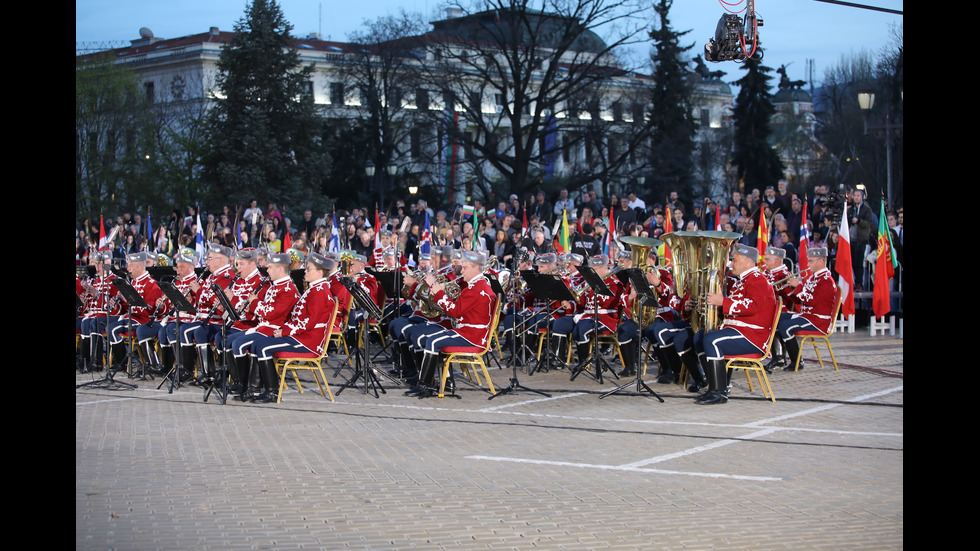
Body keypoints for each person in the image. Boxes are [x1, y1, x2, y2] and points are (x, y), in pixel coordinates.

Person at [407, 250, 499, 397]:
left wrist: (438, 292)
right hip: (467, 332)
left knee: (432, 341)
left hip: (472, 336)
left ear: (475, 267)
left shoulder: (477, 288)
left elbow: (454, 311)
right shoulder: (475, 285)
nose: (461, 271)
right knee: (430, 339)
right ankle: (446, 384)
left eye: (465, 268)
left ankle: (425, 386)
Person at [695, 244, 777, 405]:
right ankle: (715, 385)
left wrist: (723, 302)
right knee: (700, 337)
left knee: (712, 340)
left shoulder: (758, 280)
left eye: (735, 260)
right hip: (740, 330)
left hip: (752, 336)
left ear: (747, 261)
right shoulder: (745, 281)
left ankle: (719, 392)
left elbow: (753, 306)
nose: (732, 263)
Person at [774, 247, 840, 371]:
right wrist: (789, 288)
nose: (807, 264)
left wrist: (798, 286)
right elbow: (799, 301)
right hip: (806, 316)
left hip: (818, 321)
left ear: (820, 261)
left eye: (811, 261)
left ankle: (797, 362)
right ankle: (778, 358)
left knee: (785, 326)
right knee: (776, 318)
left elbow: (811, 301)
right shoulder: (812, 278)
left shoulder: (826, 281)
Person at [106, 251, 164, 371]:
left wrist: (130, 300)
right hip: (132, 318)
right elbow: (126, 309)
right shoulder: (133, 282)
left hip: (143, 321)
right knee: (109, 327)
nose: (128, 269)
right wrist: (119, 303)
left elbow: (150, 311)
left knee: (112, 329)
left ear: (139, 266)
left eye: (130, 266)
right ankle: (121, 361)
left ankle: (124, 363)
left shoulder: (151, 284)